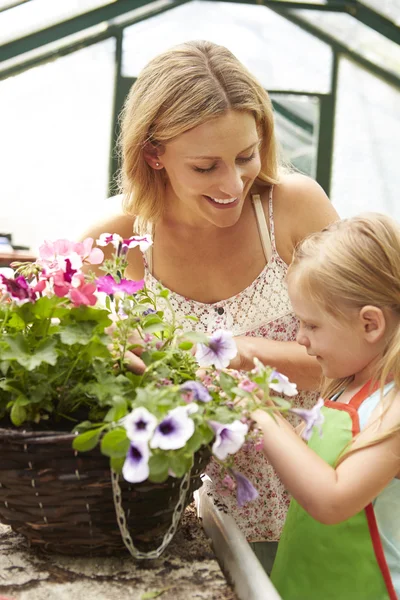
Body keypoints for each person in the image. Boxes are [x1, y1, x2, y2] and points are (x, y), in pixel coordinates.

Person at [81, 40, 338, 568]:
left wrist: (242, 350)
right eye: (205, 167)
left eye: (246, 156)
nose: (233, 183)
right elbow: (80, 384)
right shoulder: (116, 239)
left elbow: (370, 356)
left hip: (311, 500)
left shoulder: (293, 208)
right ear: (154, 154)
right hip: (160, 512)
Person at [253, 213, 400, 599]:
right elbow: (305, 465)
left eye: (312, 325)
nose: (300, 338)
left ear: (371, 324)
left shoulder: (394, 407)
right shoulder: (342, 387)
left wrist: (262, 413)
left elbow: (333, 501)